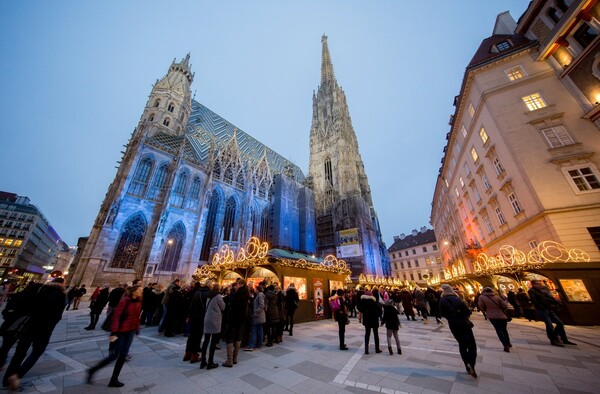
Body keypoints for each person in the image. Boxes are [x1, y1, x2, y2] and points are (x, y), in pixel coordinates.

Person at [3, 278, 66, 391]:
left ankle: (6, 379)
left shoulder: (41, 290)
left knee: (19, 353)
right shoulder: (60, 295)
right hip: (44, 329)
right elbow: (57, 316)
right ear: (62, 284)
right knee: (37, 352)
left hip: (29, 327)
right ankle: (16, 376)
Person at [87, 284, 143, 388]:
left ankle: (114, 378)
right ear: (134, 291)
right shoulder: (125, 301)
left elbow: (136, 317)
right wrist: (115, 332)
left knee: (123, 355)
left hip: (130, 331)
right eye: (140, 290)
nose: (141, 291)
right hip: (120, 331)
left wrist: (137, 328)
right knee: (114, 355)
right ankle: (93, 370)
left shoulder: (138, 301)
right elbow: (116, 317)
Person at [0, 282, 42, 370]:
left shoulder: (17, 296)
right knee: (19, 351)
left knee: (5, 346)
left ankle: (1, 362)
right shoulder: (36, 300)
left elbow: (5, 312)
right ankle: (9, 370)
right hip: (23, 328)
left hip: (9, 325)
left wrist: (10, 318)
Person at [439, 284, 477, 379]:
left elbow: (442, 313)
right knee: (472, 345)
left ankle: (467, 365)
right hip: (464, 323)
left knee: (462, 344)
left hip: (453, 324)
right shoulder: (458, 299)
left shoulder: (442, 300)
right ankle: (471, 363)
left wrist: (450, 317)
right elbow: (468, 312)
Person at [528, 279, 576, 347]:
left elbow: (547, 298)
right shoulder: (531, 291)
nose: (540, 285)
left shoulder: (541, 290)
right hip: (542, 310)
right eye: (538, 284)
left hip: (548, 309)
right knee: (549, 325)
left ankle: (563, 339)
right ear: (534, 284)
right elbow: (535, 301)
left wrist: (556, 303)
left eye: (540, 283)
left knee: (560, 323)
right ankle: (553, 340)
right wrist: (543, 307)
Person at [222, 279, 249, 367]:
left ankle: (229, 360)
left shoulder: (239, 292)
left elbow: (235, 305)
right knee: (238, 337)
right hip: (242, 318)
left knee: (230, 337)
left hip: (234, 318)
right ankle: (235, 358)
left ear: (240, 284)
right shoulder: (246, 292)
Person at [478, 287, 512, 352]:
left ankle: (505, 345)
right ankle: (508, 343)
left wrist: (485, 311)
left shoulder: (482, 297)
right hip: (502, 316)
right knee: (504, 330)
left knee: (498, 329)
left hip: (492, 316)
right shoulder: (497, 296)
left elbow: (481, 306)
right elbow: (505, 305)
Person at [200, 284, 226, 370]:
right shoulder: (218, 296)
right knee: (213, 342)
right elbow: (223, 307)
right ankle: (210, 362)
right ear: (218, 289)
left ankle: (203, 361)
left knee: (206, 341)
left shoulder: (209, 295)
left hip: (207, 318)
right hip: (215, 319)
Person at [184, 280, 210, 363]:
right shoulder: (208, 294)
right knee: (198, 336)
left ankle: (187, 353)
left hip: (194, 316)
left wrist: (189, 316)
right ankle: (194, 355)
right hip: (202, 317)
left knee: (191, 335)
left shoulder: (197, 292)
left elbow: (192, 305)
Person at [358, 290, 382, 354]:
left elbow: (359, 308)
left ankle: (366, 349)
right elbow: (380, 312)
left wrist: (365, 311)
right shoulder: (374, 302)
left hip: (367, 320)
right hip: (374, 320)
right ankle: (377, 349)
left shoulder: (363, 301)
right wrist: (376, 315)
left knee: (367, 334)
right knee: (376, 334)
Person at [244, 284, 267, 351]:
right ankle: (259, 344)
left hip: (258, 316)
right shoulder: (261, 295)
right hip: (260, 316)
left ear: (258, 290)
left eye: (255, 289)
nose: (254, 290)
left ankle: (251, 345)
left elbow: (261, 305)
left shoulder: (260, 295)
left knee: (254, 330)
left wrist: (255, 312)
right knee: (260, 330)